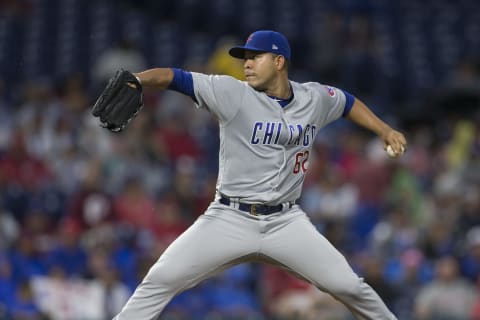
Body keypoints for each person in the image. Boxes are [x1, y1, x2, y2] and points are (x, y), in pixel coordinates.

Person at [108, 30, 406, 320]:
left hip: (285, 222)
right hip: (230, 217)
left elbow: (347, 102)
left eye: (255, 57)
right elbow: (177, 77)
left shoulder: (313, 98)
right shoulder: (232, 93)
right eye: (245, 58)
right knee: (161, 279)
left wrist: (385, 130)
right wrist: (138, 79)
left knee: (351, 287)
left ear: (279, 62)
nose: (246, 64)